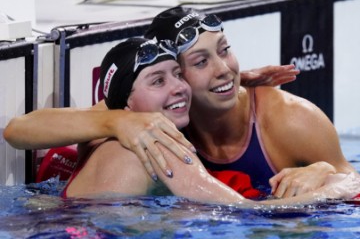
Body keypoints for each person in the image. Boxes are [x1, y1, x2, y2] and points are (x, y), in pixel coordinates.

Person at [3, 7, 347, 198]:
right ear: (172, 73)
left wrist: (323, 169)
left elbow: (352, 180)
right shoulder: (156, 109)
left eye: (225, 50)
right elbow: (19, 130)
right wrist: (115, 121)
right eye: (200, 62)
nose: (223, 70)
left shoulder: (291, 119)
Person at [59, 36, 360, 205]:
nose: (177, 87)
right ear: (124, 104)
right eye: (157, 81)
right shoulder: (154, 145)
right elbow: (246, 211)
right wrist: (331, 189)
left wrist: (322, 169)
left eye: (177, 75)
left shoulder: (104, 138)